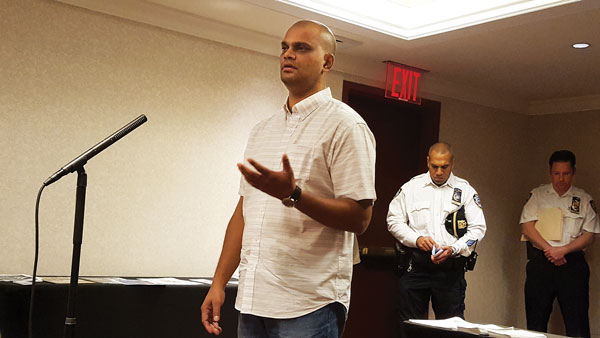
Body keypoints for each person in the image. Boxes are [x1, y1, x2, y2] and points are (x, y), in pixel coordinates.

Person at [200, 20, 376, 338]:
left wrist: (295, 195)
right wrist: (218, 283)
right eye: (284, 47)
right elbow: (244, 213)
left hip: (310, 303)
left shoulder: (346, 126)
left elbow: (360, 218)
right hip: (253, 300)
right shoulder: (262, 130)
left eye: (301, 47)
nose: (288, 54)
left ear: (328, 62)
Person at [386, 142, 486, 330]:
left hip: (450, 270)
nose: (439, 171)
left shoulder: (465, 191)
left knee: (451, 330)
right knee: (409, 328)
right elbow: (394, 221)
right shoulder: (411, 188)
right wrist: (416, 239)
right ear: (428, 162)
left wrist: (454, 248)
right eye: (434, 166)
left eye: (444, 167)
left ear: (453, 164)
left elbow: (478, 229)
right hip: (416, 267)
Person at [520, 150, 599, 338]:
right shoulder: (538, 195)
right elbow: (527, 227)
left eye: (565, 174)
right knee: (535, 321)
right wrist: (550, 251)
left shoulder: (584, 199)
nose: (561, 179)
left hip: (572, 265)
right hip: (541, 263)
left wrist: (563, 250)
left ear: (573, 173)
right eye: (557, 173)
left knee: (577, 321)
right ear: (550, 172)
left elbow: (590, 235)